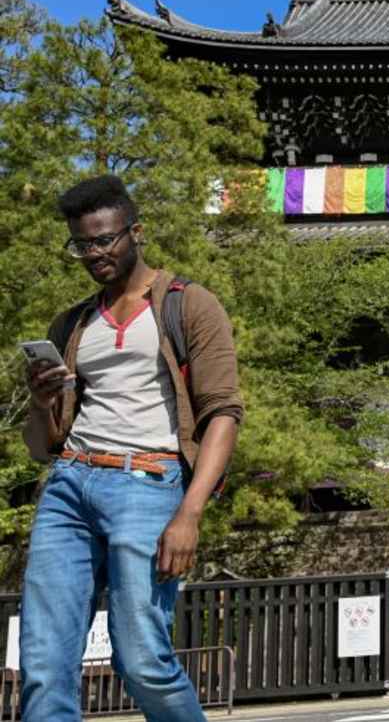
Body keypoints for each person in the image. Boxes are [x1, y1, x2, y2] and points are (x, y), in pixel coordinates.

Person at [20, 175, 244, 722]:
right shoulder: (73, 324)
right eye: (82, 243)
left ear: (135, 232)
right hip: (70, 486)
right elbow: (39, 447)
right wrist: (39, 400)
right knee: (45, 665)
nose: (94, 253)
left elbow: (223, 414)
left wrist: (190, 511)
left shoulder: (187, 305)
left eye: (105, 240)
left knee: (141, 658)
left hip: (148, 484)